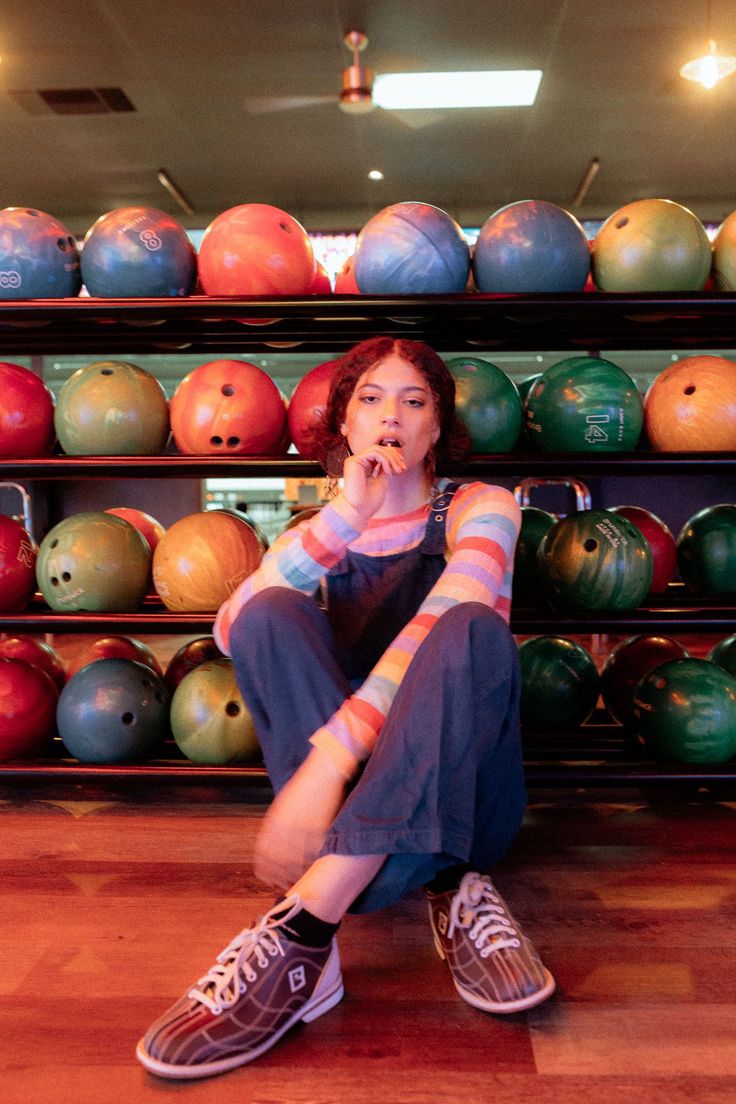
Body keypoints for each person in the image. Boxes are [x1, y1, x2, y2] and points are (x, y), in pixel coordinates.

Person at [137, 336, 555, 1080]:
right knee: (269, 611)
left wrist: (330, 759)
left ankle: (307, 924)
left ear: (437, 429)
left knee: (469, 629)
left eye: (413, 400)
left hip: (464, 804)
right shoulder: (315, 531)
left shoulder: (483, 508)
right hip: (358, 806)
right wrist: (345, 516)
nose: (391, 413)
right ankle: (377, 903)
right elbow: (231, 629)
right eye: (370, 398)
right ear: (345, 425)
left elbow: (455, 603)